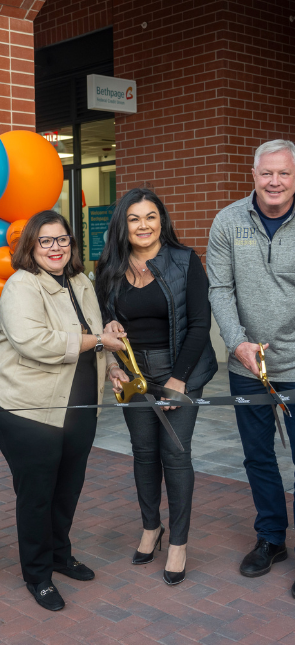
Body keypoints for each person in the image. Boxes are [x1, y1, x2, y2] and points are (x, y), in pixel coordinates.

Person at [0, 210, 126, 610]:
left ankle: (60, 555)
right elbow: (35, 341)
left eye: (62, 239)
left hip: (78, 407)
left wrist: (112, 365)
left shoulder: (81, 282)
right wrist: (98, 338)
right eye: (45, 240)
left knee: (68, 489)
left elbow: (98, 337)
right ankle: (37, 574)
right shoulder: (21, 285)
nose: (55, 247)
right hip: (29, 408)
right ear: (30, 245)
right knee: (37, 494)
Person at [96, 188, 217, 586]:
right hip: (133, 375)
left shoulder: (184, 261)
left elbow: (200, 324)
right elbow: (102, 322)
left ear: (161, 220)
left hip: (179, 370)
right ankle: (152, 527)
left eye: (151, 216)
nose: (143, 225)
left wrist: (177, 380)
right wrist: (111, 346)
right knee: (144, 453)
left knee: (176, 454)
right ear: (123, 225)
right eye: (134, 218)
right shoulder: (109, 267)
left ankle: (179, 542)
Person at [207, 139, 295, 592]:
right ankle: (270, 539)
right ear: (254, 174)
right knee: (259, 458)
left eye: (283, 173)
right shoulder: (228, 221)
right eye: (267, 173)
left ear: (293, 176)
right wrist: (238, 345)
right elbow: (219, 289)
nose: (274, 182)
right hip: (248, 366)